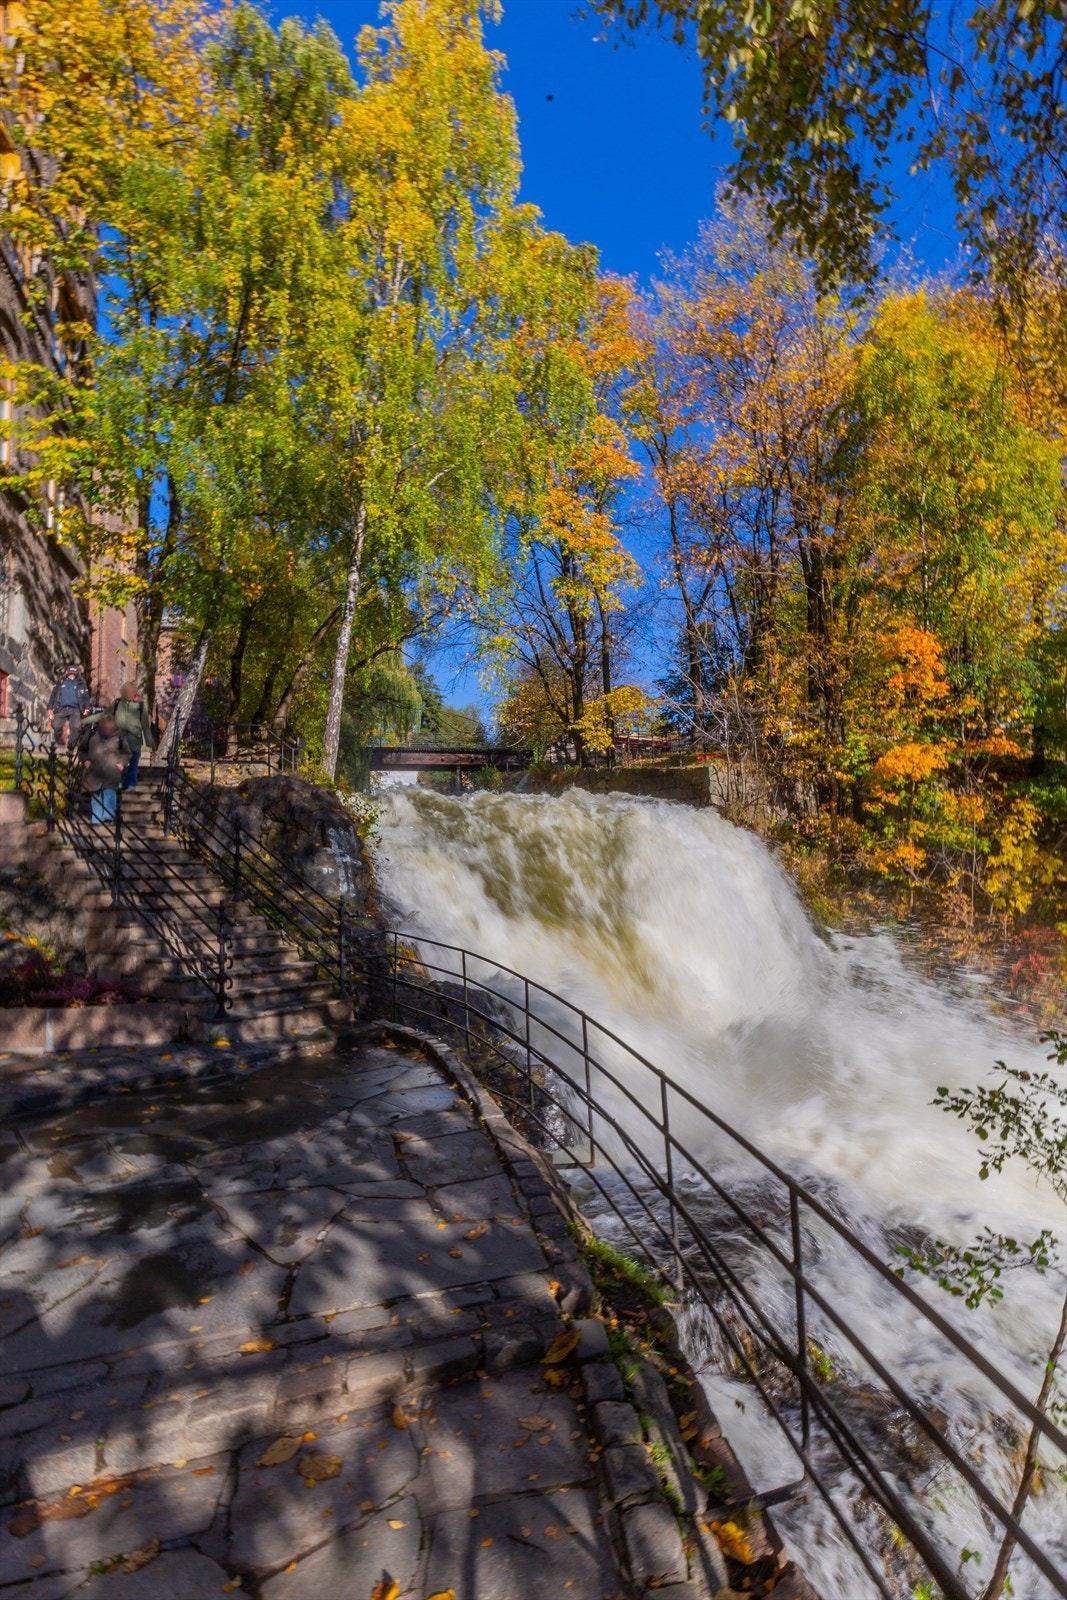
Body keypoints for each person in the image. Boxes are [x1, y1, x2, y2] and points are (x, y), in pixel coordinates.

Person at [82, 716, 130, 825]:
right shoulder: (92, 734)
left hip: (111, 772)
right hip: (94, 772)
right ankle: (96, 820)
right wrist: (85, 760)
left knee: (109, 793)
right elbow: (82, 750)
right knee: (96, 795)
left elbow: (127, 753)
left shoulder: (120, 736)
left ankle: (108, 817)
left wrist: (121, 762)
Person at [110, 680, 155, 789]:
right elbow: (108, 718)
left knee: (133, 762)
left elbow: (145, 725)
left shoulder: (140, 706)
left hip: (134, 740)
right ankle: (118, 782)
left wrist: (150, 742)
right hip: (118, 739)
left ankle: (130, 783)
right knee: (118, 762)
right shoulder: (117, 703)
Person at [47, 665, 92, 749]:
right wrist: (50, 708)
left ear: (77, 674)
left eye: (74, 674)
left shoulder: (81, 684)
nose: (72, 675)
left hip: (76, 709)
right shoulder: (60, 682)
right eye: (70, 673)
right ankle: (60, 744)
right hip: (61, 708)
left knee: (76, 727)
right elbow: (53, 695)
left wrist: (87, 708)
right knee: (56, 726)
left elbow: (86, 697)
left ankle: (71, 746)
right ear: (67, 672)